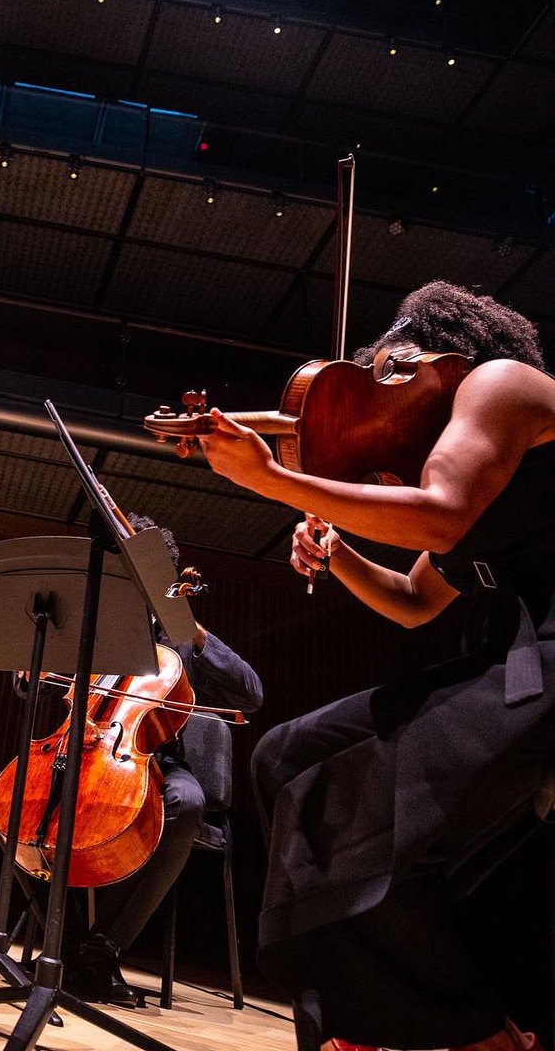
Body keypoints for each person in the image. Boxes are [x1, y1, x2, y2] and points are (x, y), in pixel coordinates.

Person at [193, 281, 553, 1051]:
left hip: (546, 664)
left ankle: (479, 1035)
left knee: (376, 826)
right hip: (520, 660)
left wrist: (274, 478)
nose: (382, 392)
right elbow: (411, 601)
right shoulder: (487, 461)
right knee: (285, 756)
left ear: (441, 352)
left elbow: (444, 515)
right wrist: (337, 548)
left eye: (391, 371)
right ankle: (348, 1022)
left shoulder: (506, 384)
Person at [5, 519, 263, 1007]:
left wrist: (196, 631)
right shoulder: (87, 621)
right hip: (76, 749)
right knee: (11, 797)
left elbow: (250, 693)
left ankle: (101, 948)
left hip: (152, 757)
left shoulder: (180, 635)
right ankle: (69, 945)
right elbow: (29, 685)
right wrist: (32, 665)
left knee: (187, 803)